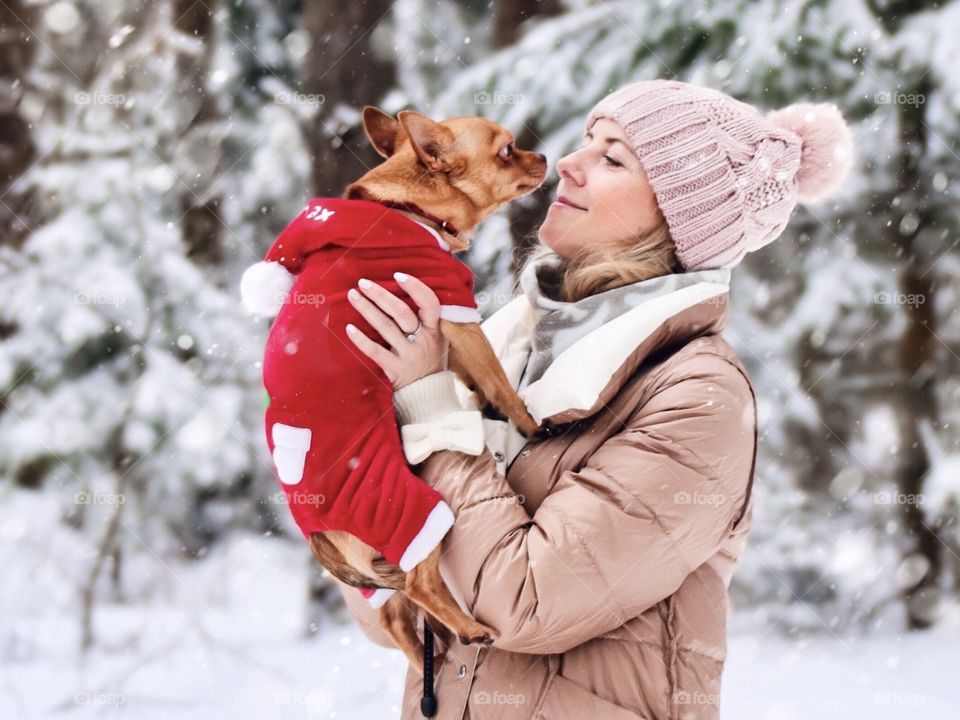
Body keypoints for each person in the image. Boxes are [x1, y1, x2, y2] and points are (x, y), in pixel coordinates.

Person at [336, 79, 853, 719]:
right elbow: (403, 614)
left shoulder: (697, 394)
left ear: (675, 216)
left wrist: (430, 408)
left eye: (612, 158)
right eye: (585, 142)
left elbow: (526, 600)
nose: (569, 166)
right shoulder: (508, 349)